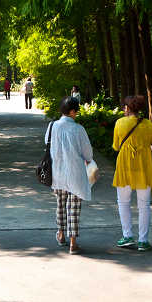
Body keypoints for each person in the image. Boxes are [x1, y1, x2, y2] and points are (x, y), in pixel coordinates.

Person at [112, 94, 152, 252]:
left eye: (124, 107)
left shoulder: (119, 123)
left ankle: (127, 236)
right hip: (143, 168)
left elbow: (116, 146)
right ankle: (143, 241)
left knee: (123, 203)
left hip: (125, 168)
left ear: (128, 108)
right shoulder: (148, 125)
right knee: (144, 205)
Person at [48, 95, 97, 254]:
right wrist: (88, 160)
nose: (77, 114)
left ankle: (61, 235)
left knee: (60, 205)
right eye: (76, 111)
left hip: (58, 172)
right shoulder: (78, 129)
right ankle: (73, 243)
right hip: (75, 173)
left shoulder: (52, 126)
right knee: (73, 208)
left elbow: (46, 144)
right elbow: (88, 154)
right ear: (72, 111)